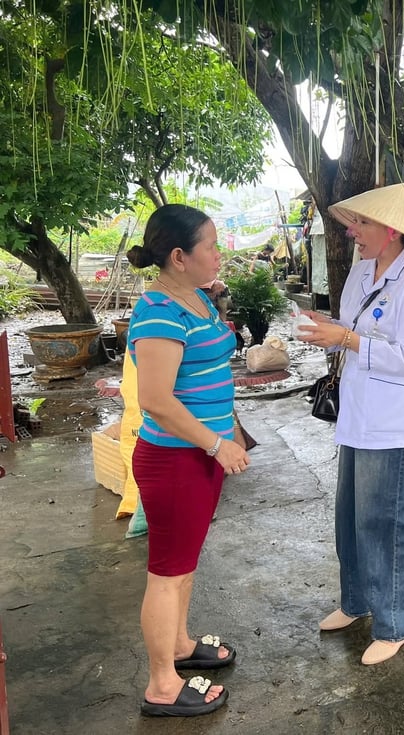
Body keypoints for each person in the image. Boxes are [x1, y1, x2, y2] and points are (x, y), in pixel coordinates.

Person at [296, 182, 404, 665]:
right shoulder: (359, 273)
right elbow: (349, 333)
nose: (353, 232)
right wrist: (329, 335)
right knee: (352, 520)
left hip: (394, 424)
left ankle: (396, 622)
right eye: (354, 222)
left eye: (363, 223)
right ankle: (356, 602)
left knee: (391, 523)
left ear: (392, 230)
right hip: (356, 418)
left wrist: (350, 339)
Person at [126, 204, 250, 717]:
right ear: (179, 257)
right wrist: (217, 444)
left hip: (199, 458)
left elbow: (205, 360)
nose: (220, 254)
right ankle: (161, 685)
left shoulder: (196, 298)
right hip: (175, 460)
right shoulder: (158, 312)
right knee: (167, 572)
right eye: (212, 247)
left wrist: (217, 303)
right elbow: (156, 398)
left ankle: (179, 645)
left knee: (185, 565)